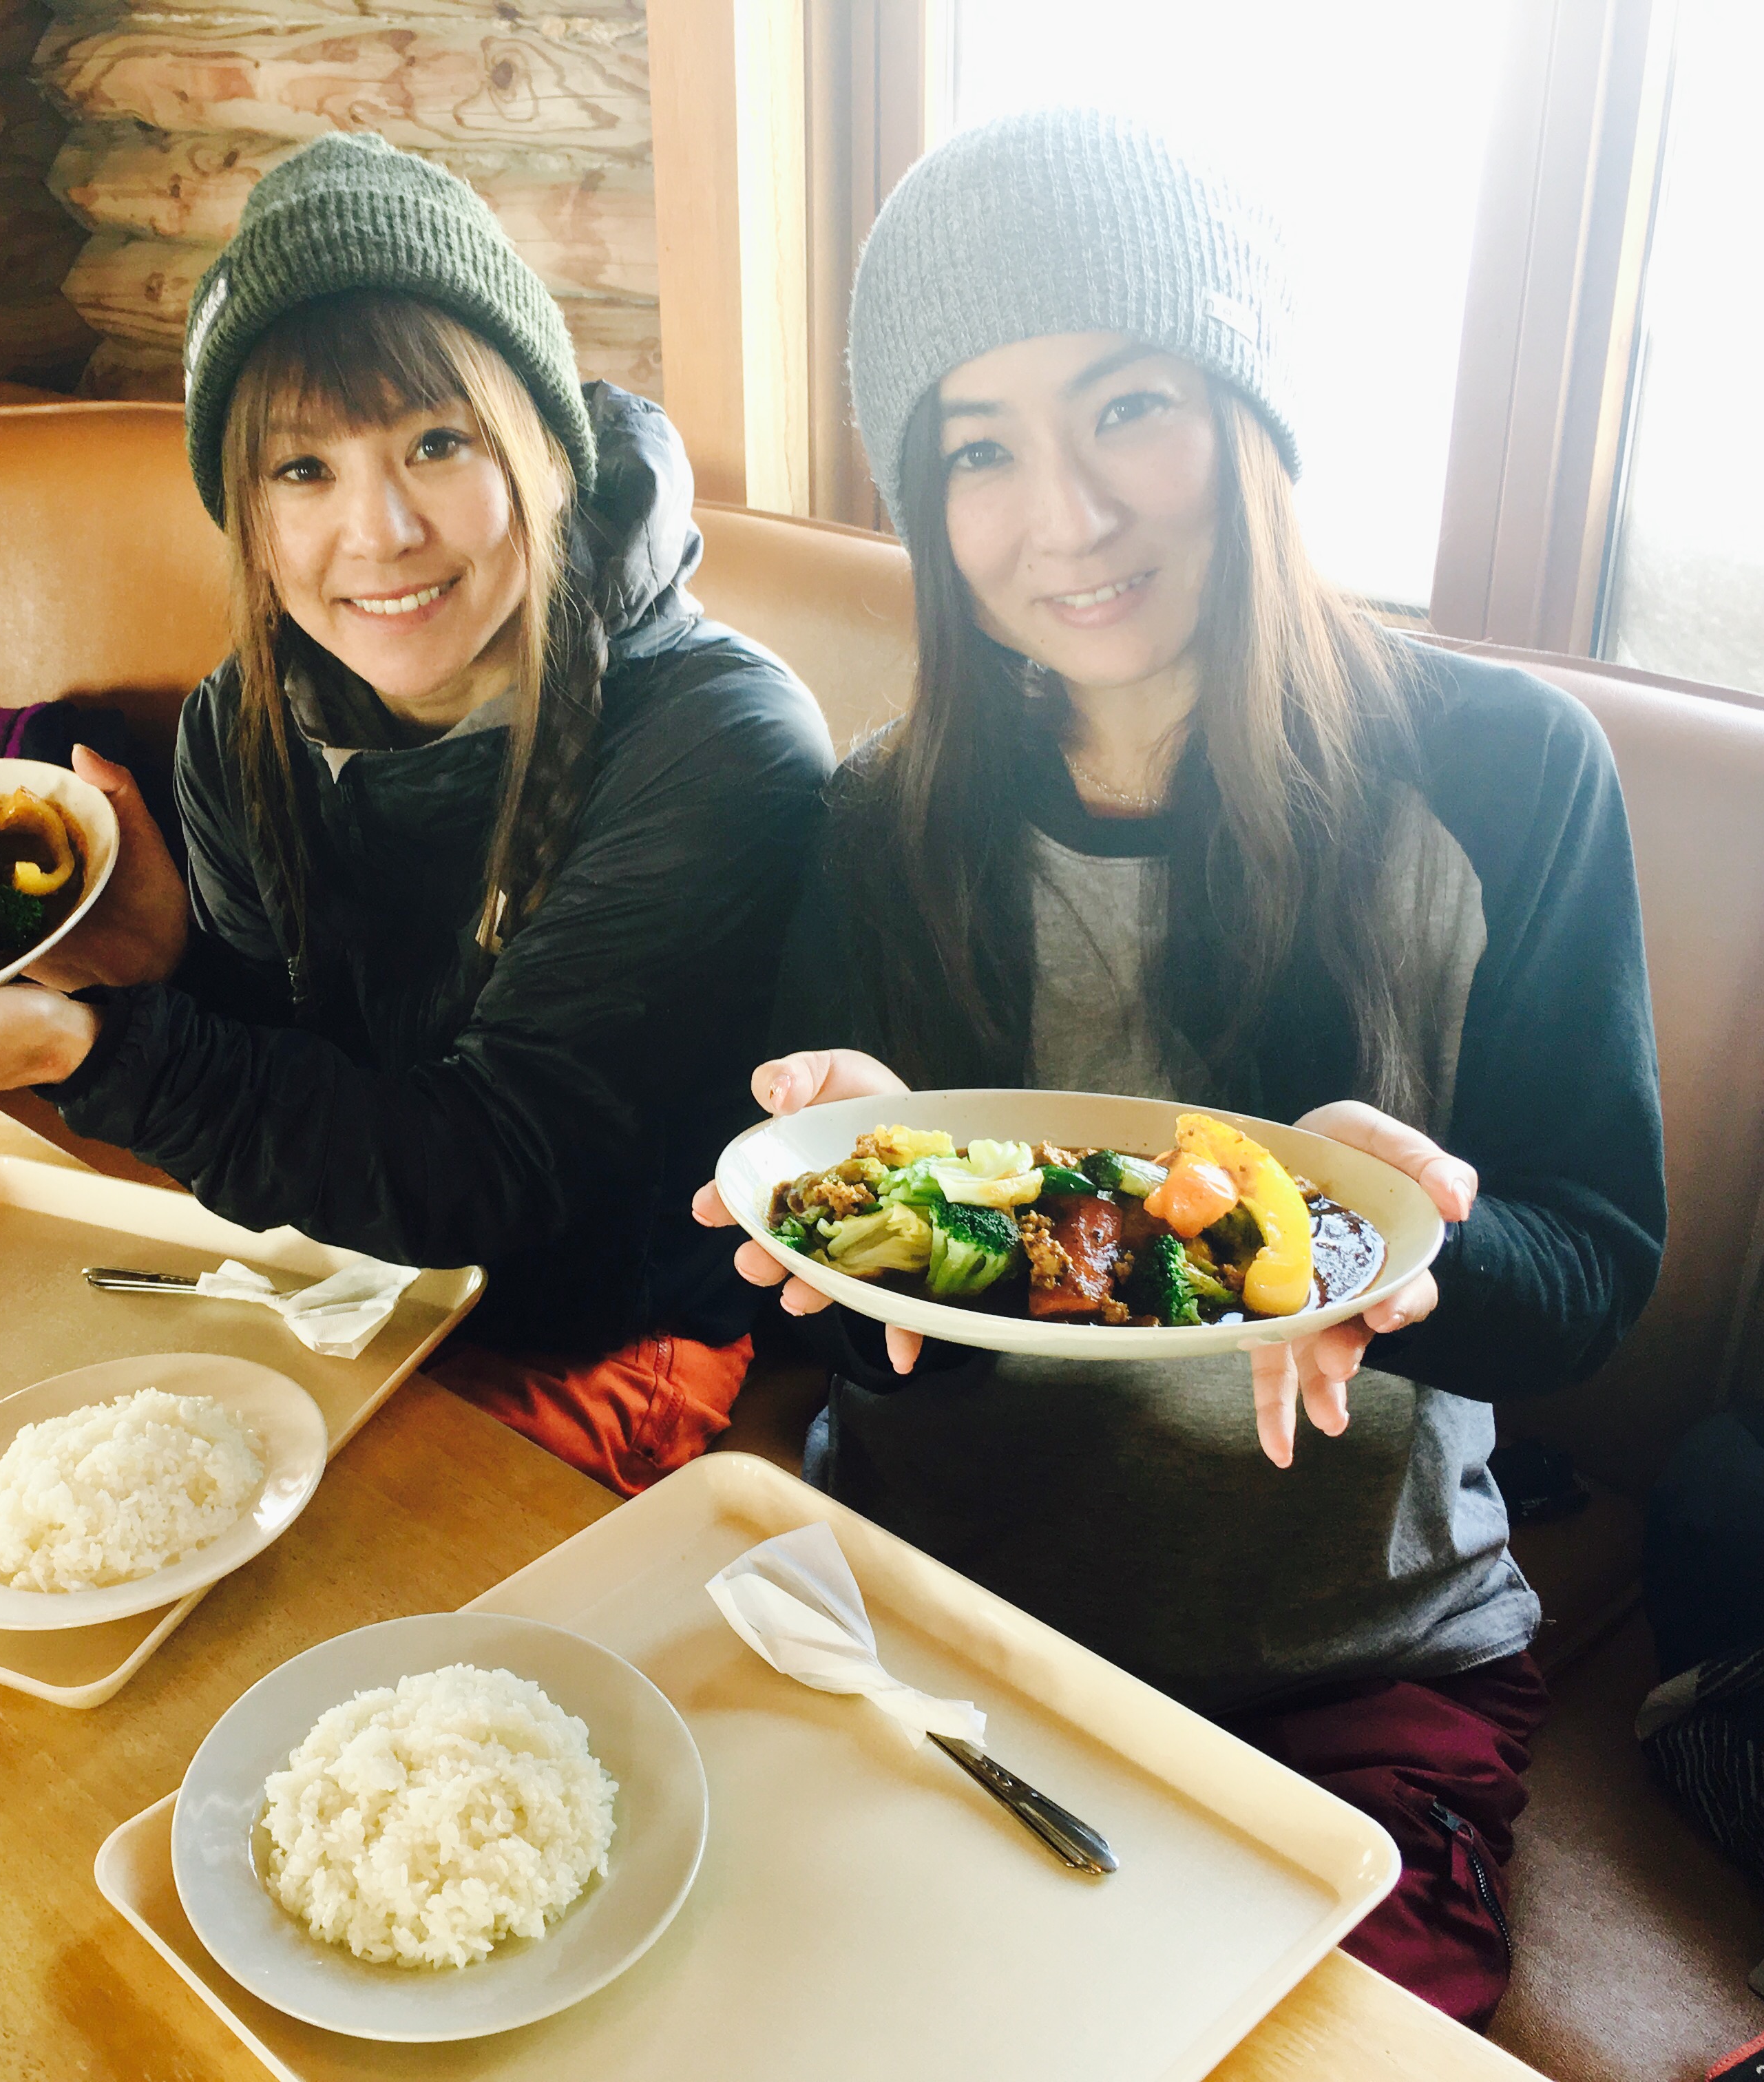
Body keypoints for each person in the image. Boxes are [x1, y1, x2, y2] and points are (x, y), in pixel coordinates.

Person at [693, 109, 1664, 2026]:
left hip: (1355, 1659)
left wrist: (1418, 1251)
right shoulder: (880, 817)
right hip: (931, 1611)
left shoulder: (1509, 779)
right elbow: (844, 1316)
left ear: (1251, 417)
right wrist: (852, 1188)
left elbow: (1600, 1272)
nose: (1066, 513)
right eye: (980, 450)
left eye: (1128, 408)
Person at [0, 133, 832, 1493]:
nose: (377, 533)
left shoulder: (718, 741)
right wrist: (160, 970)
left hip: (604, 1327)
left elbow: (500, 1165)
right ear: (244, 510)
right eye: (303, 470)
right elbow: (301, 1099)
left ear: (544, 449)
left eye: (436, 442)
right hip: (341, 1271)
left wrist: (92, 1051)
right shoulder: (245, 717)